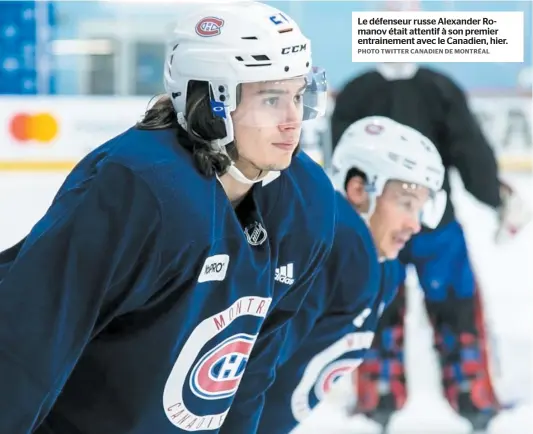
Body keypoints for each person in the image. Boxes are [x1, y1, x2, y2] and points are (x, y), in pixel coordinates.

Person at [0, 2, 341, 433]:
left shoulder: (306, 203)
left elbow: (251, 369)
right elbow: (29, 342)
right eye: (272, 99)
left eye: (298, 95)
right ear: (210, 101)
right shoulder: (142, 190)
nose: (294, 121)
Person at [330, 62, 531, 431]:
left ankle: (470, 399)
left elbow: (467, 147)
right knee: (378, 309)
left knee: (454, 307)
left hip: (425, 222)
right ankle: (381, 398)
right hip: (393, 225)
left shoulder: (431, 87)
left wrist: (494, 195)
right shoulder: (365, 90)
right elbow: (344, 163)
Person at [255, 116, 446, 434]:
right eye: (406, 203)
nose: (416, 224)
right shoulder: (344, 245)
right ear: (358, 189)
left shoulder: (383, 265)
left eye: (420, 209)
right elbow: (254, 362)